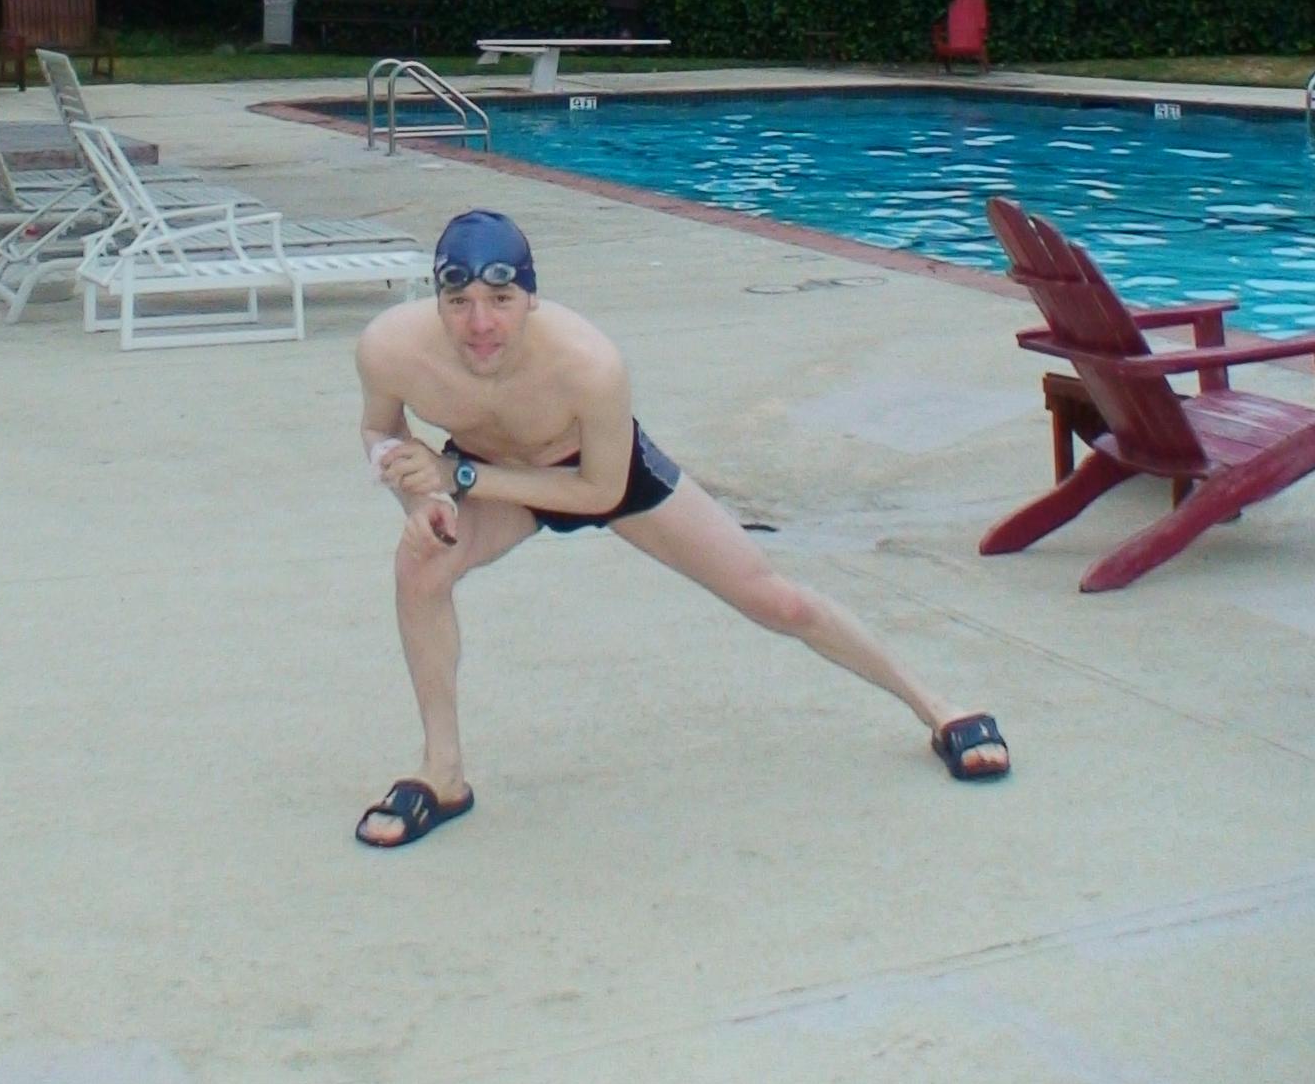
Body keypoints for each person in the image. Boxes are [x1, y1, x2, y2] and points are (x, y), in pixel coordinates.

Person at [354, 208, 1010, 847]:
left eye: (499, 299)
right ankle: (442, 774)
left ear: (531, 299)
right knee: (420, 564)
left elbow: (599, 490)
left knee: (774, 598)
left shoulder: (589, 364)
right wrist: (424, 507)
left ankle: (939, 708)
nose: (480, 324)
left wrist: (460, 481)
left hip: (592, 472)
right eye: (459, 301)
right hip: (489, 475)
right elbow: (382, 432)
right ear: (436, 301)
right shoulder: (390, 349)